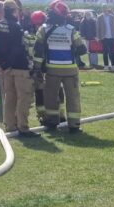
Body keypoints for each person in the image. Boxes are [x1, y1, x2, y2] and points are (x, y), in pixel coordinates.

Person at [34, 0, 86, 133]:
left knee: (51, 97)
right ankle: (74, 125)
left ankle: (52, 121)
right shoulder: (71, 30)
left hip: (52, 70)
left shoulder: (43, 29)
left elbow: (38, 51)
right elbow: (82, 49)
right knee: (73, 98)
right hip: (70, 70)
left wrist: (37, 68)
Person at [0, 1, 37, 138]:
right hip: (19, 67)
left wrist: (4, 65)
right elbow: (18, 47)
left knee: (10, 97)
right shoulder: (16, 26)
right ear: (13, 11)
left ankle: (10, 126)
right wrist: (10, 63)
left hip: (6, 69)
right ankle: (23, 127)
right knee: (24, 97)